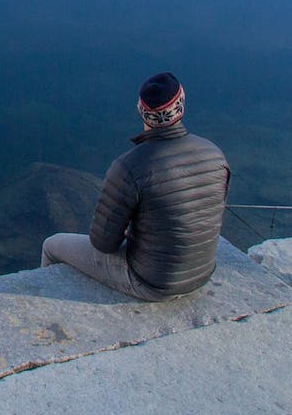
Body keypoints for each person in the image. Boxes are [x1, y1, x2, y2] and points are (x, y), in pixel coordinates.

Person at [40, 71, 231, 301]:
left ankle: (47, 306)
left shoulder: (128, 167)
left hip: (151, 282)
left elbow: (103, 244)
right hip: (202, 274)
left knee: (51, 245)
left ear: (142, 111)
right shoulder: (215, 154)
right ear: (181, 106)